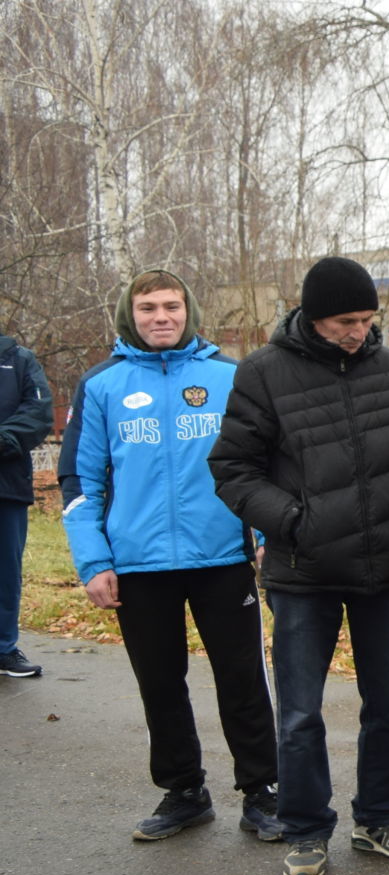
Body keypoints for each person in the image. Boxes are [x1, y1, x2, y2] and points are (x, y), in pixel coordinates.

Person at [210, 256, 389, 875]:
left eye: (367, 319)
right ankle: (304, 827)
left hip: (387, 569)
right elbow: (232, 470)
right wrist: (293, 520)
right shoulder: (263, 375)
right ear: (313, 316)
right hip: (303, 572)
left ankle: (381, 818)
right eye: (345, 320)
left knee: (388, 704)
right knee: (300, 711)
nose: (359, 331)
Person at [60, 269, 281, 842]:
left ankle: (262, 791)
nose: (162, 317)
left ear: (190, 311)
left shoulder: (231, 376)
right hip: (137, 565)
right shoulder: (102, 384)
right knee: (160, 682)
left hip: (222, 558)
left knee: (242, 679)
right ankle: (183, 791)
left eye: (172, 306)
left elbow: (264, 466)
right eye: (148, 308)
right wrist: (94, 562)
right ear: (128, 316)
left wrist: (262, 539)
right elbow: (81, 482)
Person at [0, 324, 52, 679]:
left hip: (6, 485)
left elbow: (38, 413)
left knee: (5, 572)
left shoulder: (19, 360)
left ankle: (4, 649)